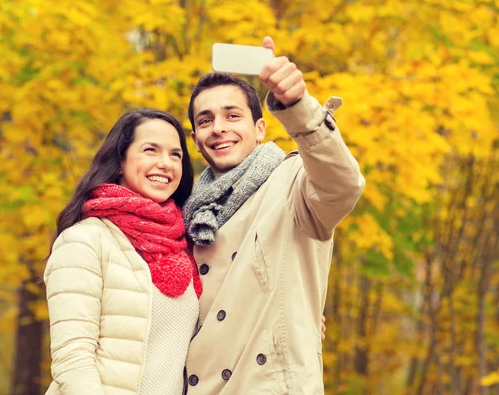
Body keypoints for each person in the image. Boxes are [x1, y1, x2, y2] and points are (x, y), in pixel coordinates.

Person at [182, 36, 365, 394]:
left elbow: (343, 185)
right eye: (205, 121)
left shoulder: (293, 181)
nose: (218, 127)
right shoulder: (186, 212)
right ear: (195, 138)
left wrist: (298, 106)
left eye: (232, 115)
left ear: (260, 128)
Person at [43, 108, 202, 395]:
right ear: (119, 162)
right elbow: (73, 362)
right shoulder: (85, 241)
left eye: (175, 154)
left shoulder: (187, 246)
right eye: (150, 150)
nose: (165, 163)